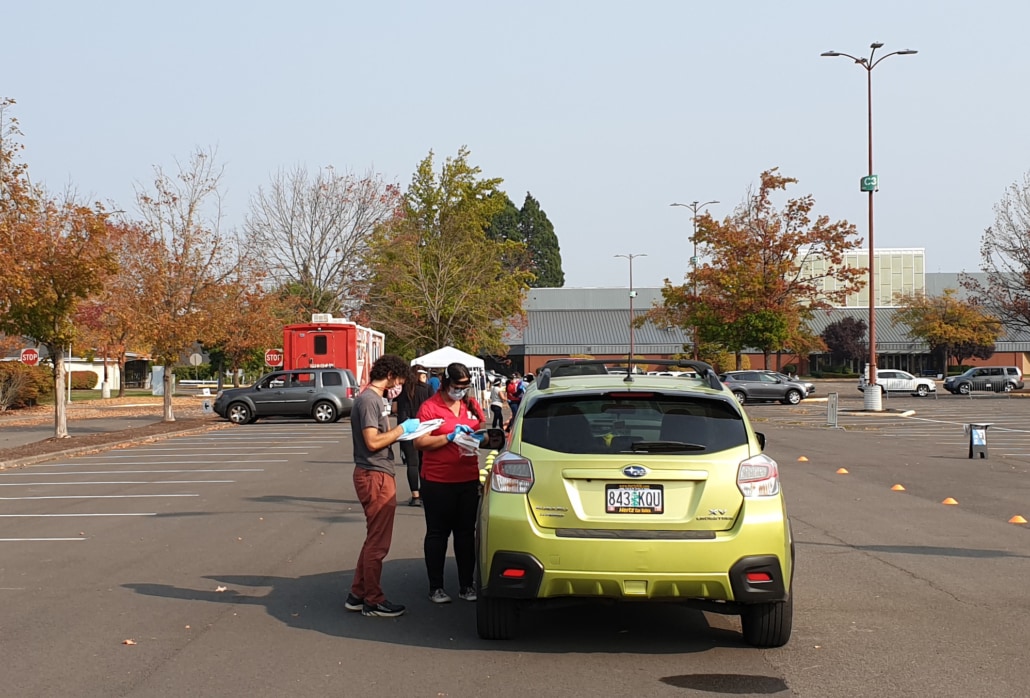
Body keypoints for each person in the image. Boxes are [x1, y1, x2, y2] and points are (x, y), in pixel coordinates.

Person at [346, 354, 420, 618]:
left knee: (373, 538)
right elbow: (373, 441)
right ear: (390, 376)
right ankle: (373, 600)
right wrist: (401, 430)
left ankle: (358, 594)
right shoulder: (370, 400)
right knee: (378, 543)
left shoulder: (373, 399)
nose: (398, 385)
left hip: (375, 472)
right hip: (374, 474)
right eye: (398, 380)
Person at [414, 362, 486, 604]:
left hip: (467, 478)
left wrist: (483, 438)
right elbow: (420, 442)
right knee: (438, 533)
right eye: (456, 386)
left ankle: (466, 585)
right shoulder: (430, 407)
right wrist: (449, 437)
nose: (460, 391)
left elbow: (481, 430)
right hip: (438, 480)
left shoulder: (470, 404)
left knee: (466, 534)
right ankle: (436, 586)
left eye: (464, 387)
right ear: (446, 383)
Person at [396, 364, 431, 507]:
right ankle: (425, 493)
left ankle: (415, 496)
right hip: (425, 429)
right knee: (424, 463)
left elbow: (398, 410)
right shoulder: (427, 389)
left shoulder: (404, 390)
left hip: (408, 428)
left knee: (412, 463)